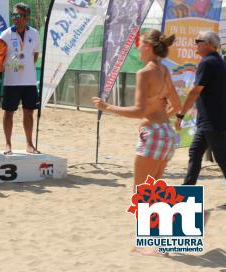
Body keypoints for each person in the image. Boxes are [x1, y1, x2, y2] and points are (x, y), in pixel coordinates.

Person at [93, 30, 181, 188]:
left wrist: (107, 107)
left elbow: (139, 111)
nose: (138, 48)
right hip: (168, 133)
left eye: (140, 44)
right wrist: (160, 120)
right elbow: (177, 106)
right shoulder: (164, 70)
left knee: (140, 193)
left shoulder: (145, 73)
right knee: (152, 192)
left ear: (147, 46)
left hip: (154, 134)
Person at [176, 31, 226, 184]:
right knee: (195, 152)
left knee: (222, 160)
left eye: (198, 40)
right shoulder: (219, 61)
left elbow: (195, 91)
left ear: (209, 44)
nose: (195, 43)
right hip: (211, 120)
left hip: (213, 121)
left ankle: (186, 195)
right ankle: (187, 194)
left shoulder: (207, 63)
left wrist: (180, 115)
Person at [0, 3, 41, 155]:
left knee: (29, 112)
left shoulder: (35, 33)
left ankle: (30, 144)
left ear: (26, 18)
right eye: (13, 15)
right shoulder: (5, 34)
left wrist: (27, 65)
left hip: (29, 81)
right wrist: (13, 63)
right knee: (8, 112)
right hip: (12, 81)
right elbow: (0, 60)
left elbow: (35, 55)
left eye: (18, 16)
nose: (14, 18)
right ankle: (7, 144)